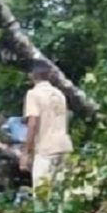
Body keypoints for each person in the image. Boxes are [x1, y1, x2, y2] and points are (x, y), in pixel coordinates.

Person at [22, 59, 73, 191]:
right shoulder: (59, 94)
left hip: (46, 149)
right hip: (64, 146)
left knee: (42, 192)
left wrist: (26, 153)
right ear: (49, 75)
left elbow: (33, 123)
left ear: (31, 76)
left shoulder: (33, 94)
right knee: (62, 191)